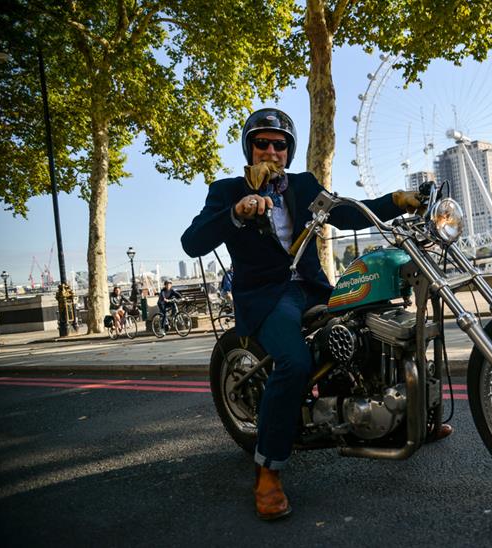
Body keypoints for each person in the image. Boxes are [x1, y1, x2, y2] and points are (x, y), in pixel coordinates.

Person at [181, 107, 452, 521]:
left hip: (313, 288)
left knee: (380, 324)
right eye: (262, 143)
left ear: (289, 151)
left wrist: (400, 201)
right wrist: (237, 212)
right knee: (293, 362)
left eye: (280, 144)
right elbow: (192, 242)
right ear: (249, 148)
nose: (271, 150)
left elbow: (346, 211)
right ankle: (268, 470)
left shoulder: (304, 184)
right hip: (267, 296)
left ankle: (413, 420)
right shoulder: (227, 190)